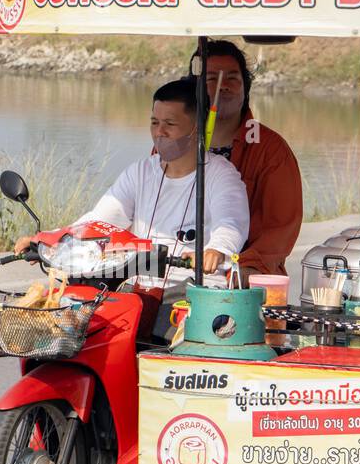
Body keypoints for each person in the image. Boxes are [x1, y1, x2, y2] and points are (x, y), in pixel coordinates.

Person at [13, 76, 249, 329]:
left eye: (170, 124)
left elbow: (231, 223)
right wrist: (49, 240)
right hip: (140, 284)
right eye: (155, 122)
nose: (160, 132)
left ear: (197, 127)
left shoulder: (220, 175)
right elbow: (99, 220)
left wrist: (215, 250)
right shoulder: (140, 172)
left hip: (192, 292)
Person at [194, 39, 303, 279]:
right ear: (196, 87)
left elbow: (280, 229)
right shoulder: (177, 142)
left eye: (232, 78)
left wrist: (245, 268)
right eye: (212, 78)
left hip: (243, 278)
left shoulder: (271, 149)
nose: (223, 86)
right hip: (180, 269)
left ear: (246, 87)